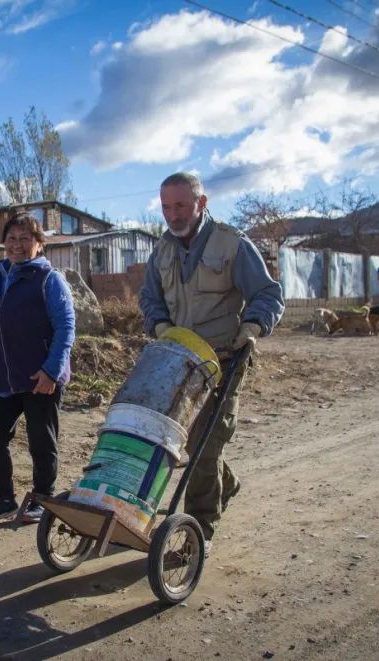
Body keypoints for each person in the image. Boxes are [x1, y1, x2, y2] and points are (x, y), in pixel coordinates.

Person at [139, 172, 284, 557]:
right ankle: (225, 483)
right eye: (166, 206)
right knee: (186, 442)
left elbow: (269, 294)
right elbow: (149, 298)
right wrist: (159, 324)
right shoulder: (162, 251)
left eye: (181, 205)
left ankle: (198, 533)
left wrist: (252, 326)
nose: (173, 215)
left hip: (224, 359)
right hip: (179, 361)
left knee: (205, 449)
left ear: (201, 203)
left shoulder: (232, 244)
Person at [0, 211, 76, 525]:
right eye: (11, 239)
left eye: (25, 239)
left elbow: (66, 326)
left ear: (39, 245)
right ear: (3, 243)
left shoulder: (48, 279)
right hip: (3, 374)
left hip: (39, 375)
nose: (17, 245)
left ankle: (43, 498)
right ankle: (3, 499)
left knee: (41, 440)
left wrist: (52, 371)